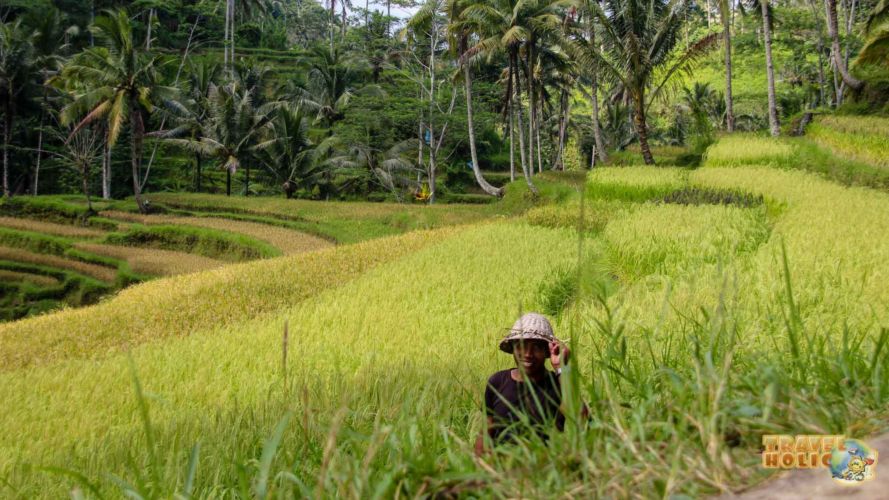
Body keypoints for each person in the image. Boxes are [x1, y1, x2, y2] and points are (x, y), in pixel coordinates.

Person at [475, 312, 574, 455]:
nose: (528, 354)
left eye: (536, 347)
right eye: (521, 346)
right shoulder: (497, 382)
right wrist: (479, 467)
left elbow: (579, 413)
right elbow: (486, 433)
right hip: (502, 470)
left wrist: (562, 367)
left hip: (544, 469)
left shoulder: (558, 382)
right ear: (513, 348)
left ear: (547, 351)